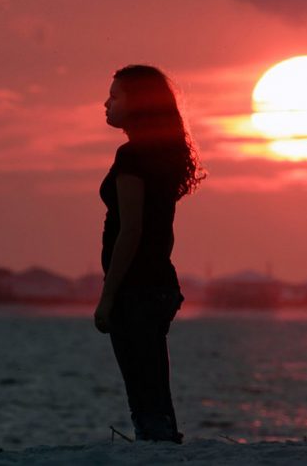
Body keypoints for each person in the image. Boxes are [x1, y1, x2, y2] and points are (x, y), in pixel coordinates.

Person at [94, 64, 203, 443]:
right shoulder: (162, 155)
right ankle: (164, 444)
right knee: (155, 388)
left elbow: (132, 230)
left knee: (144, 394)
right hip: (158, 284)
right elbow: (164, 235)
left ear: (137, 103)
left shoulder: (132, 156)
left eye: (115, 95)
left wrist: (108, 297)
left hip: (136, 290)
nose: (106, 103)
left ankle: (157, 448)